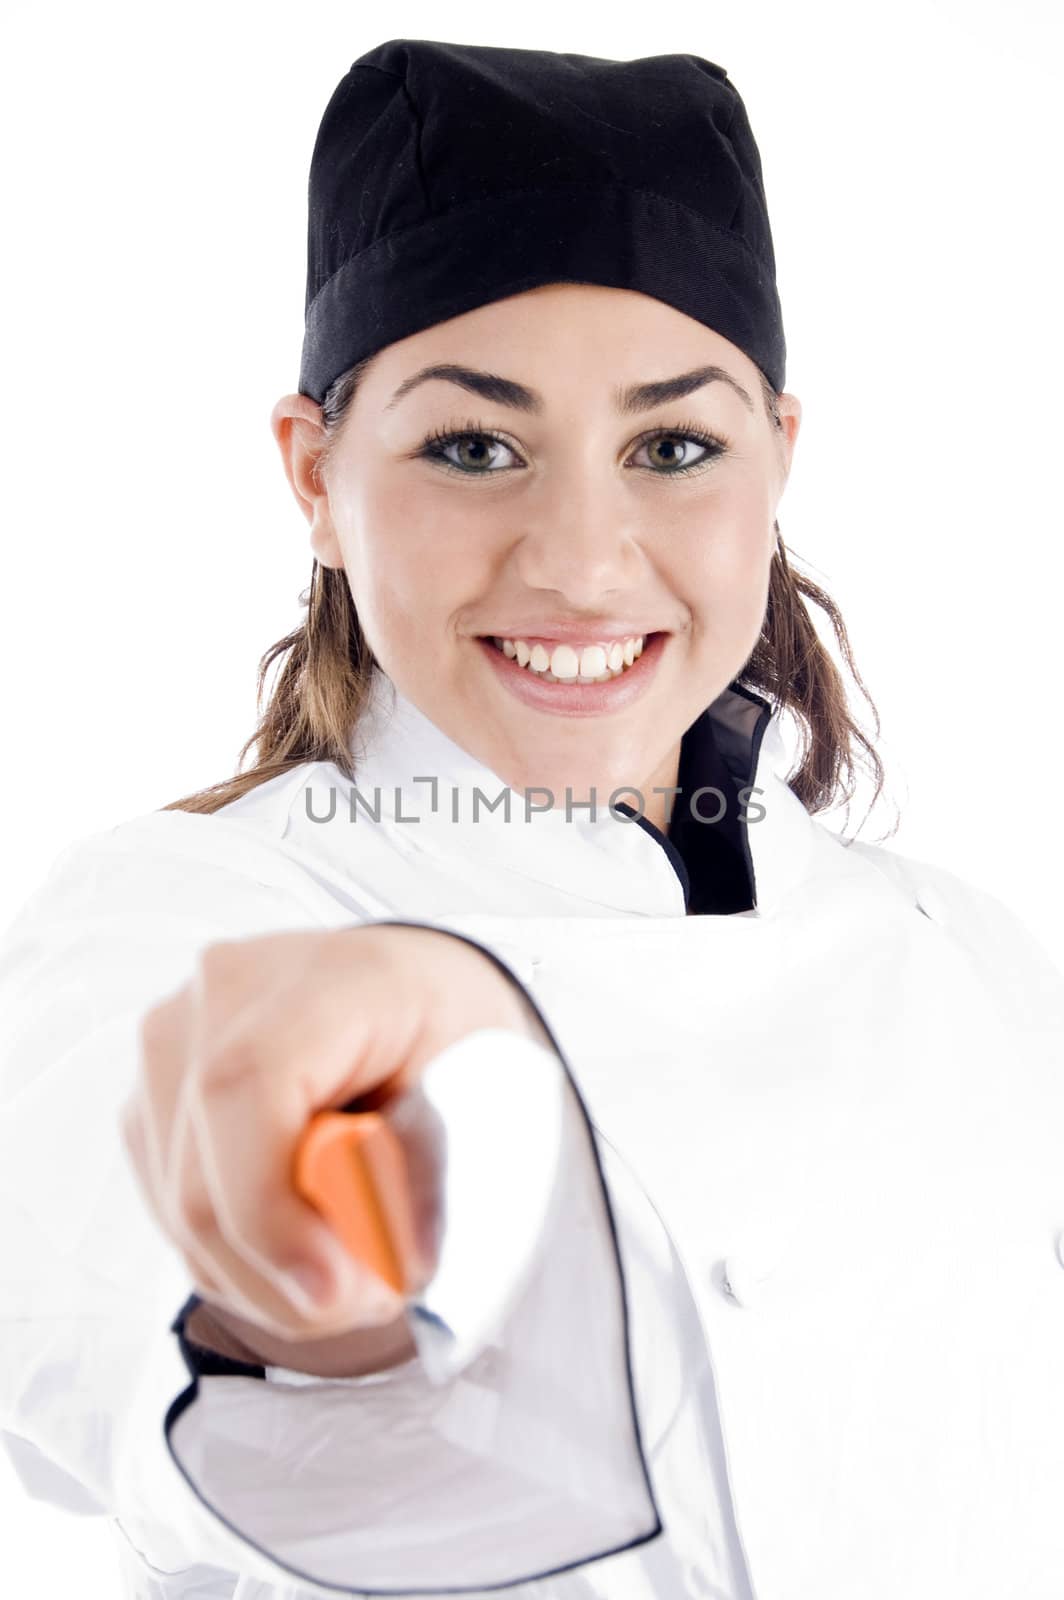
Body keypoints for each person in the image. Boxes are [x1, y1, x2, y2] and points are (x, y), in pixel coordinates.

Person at [2, 34, 1063, 1600]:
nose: (580, 558)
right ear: (314, 473)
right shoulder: (181, 919)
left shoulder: (969, 959)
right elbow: (150, 1352)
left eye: (674, 447)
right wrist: (416, 1089)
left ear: (780, 456)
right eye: (474, 447)